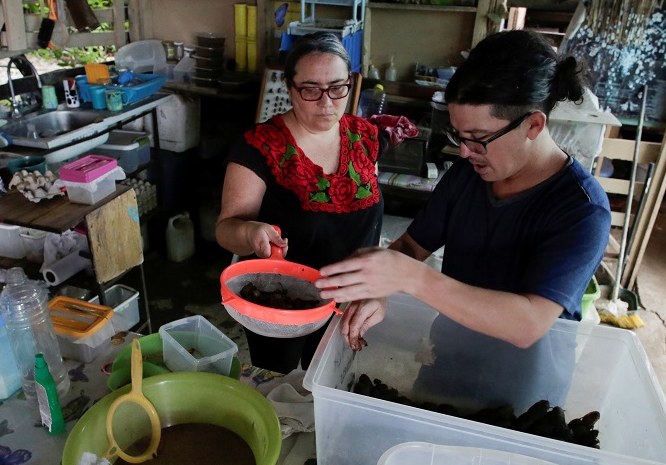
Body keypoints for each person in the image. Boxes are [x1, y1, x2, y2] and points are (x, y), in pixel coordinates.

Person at [315, 30, 611, 353]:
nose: (466, 152)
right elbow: (412, 247)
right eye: (459, 136)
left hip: (525, 379)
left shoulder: (582, 209)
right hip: (448, 354)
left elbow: (528, 324)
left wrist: (411, 278)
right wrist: (379, 287)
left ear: (533, 125)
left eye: (478, 138)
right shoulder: (467, 175)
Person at [216, 32, 383, 373]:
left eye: (337, 88)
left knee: (329, 378)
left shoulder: (364, 137)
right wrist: (249, 232)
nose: (326, 102)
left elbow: (370, 217)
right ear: (290, 89)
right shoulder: (261, 146)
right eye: (310, 89)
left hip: (349, 299)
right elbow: (226, 228)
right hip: (282, 301)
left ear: (350, 84)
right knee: (277, 379)